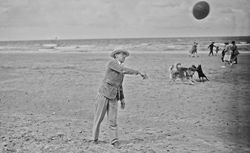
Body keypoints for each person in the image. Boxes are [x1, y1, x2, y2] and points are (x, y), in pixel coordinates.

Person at [92, 49, 147, 148]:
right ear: (116, 55)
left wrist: (122, 99)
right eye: (123, 55)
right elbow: (123, 70)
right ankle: (94, 139)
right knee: (99, 118)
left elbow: (119, 85)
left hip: (114, 97)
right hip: (103, 94)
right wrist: (138, 72)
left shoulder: (120, 68)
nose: (125, 57)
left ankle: (114, 141)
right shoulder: (112, 63)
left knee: (112, 120)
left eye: (125, 55)